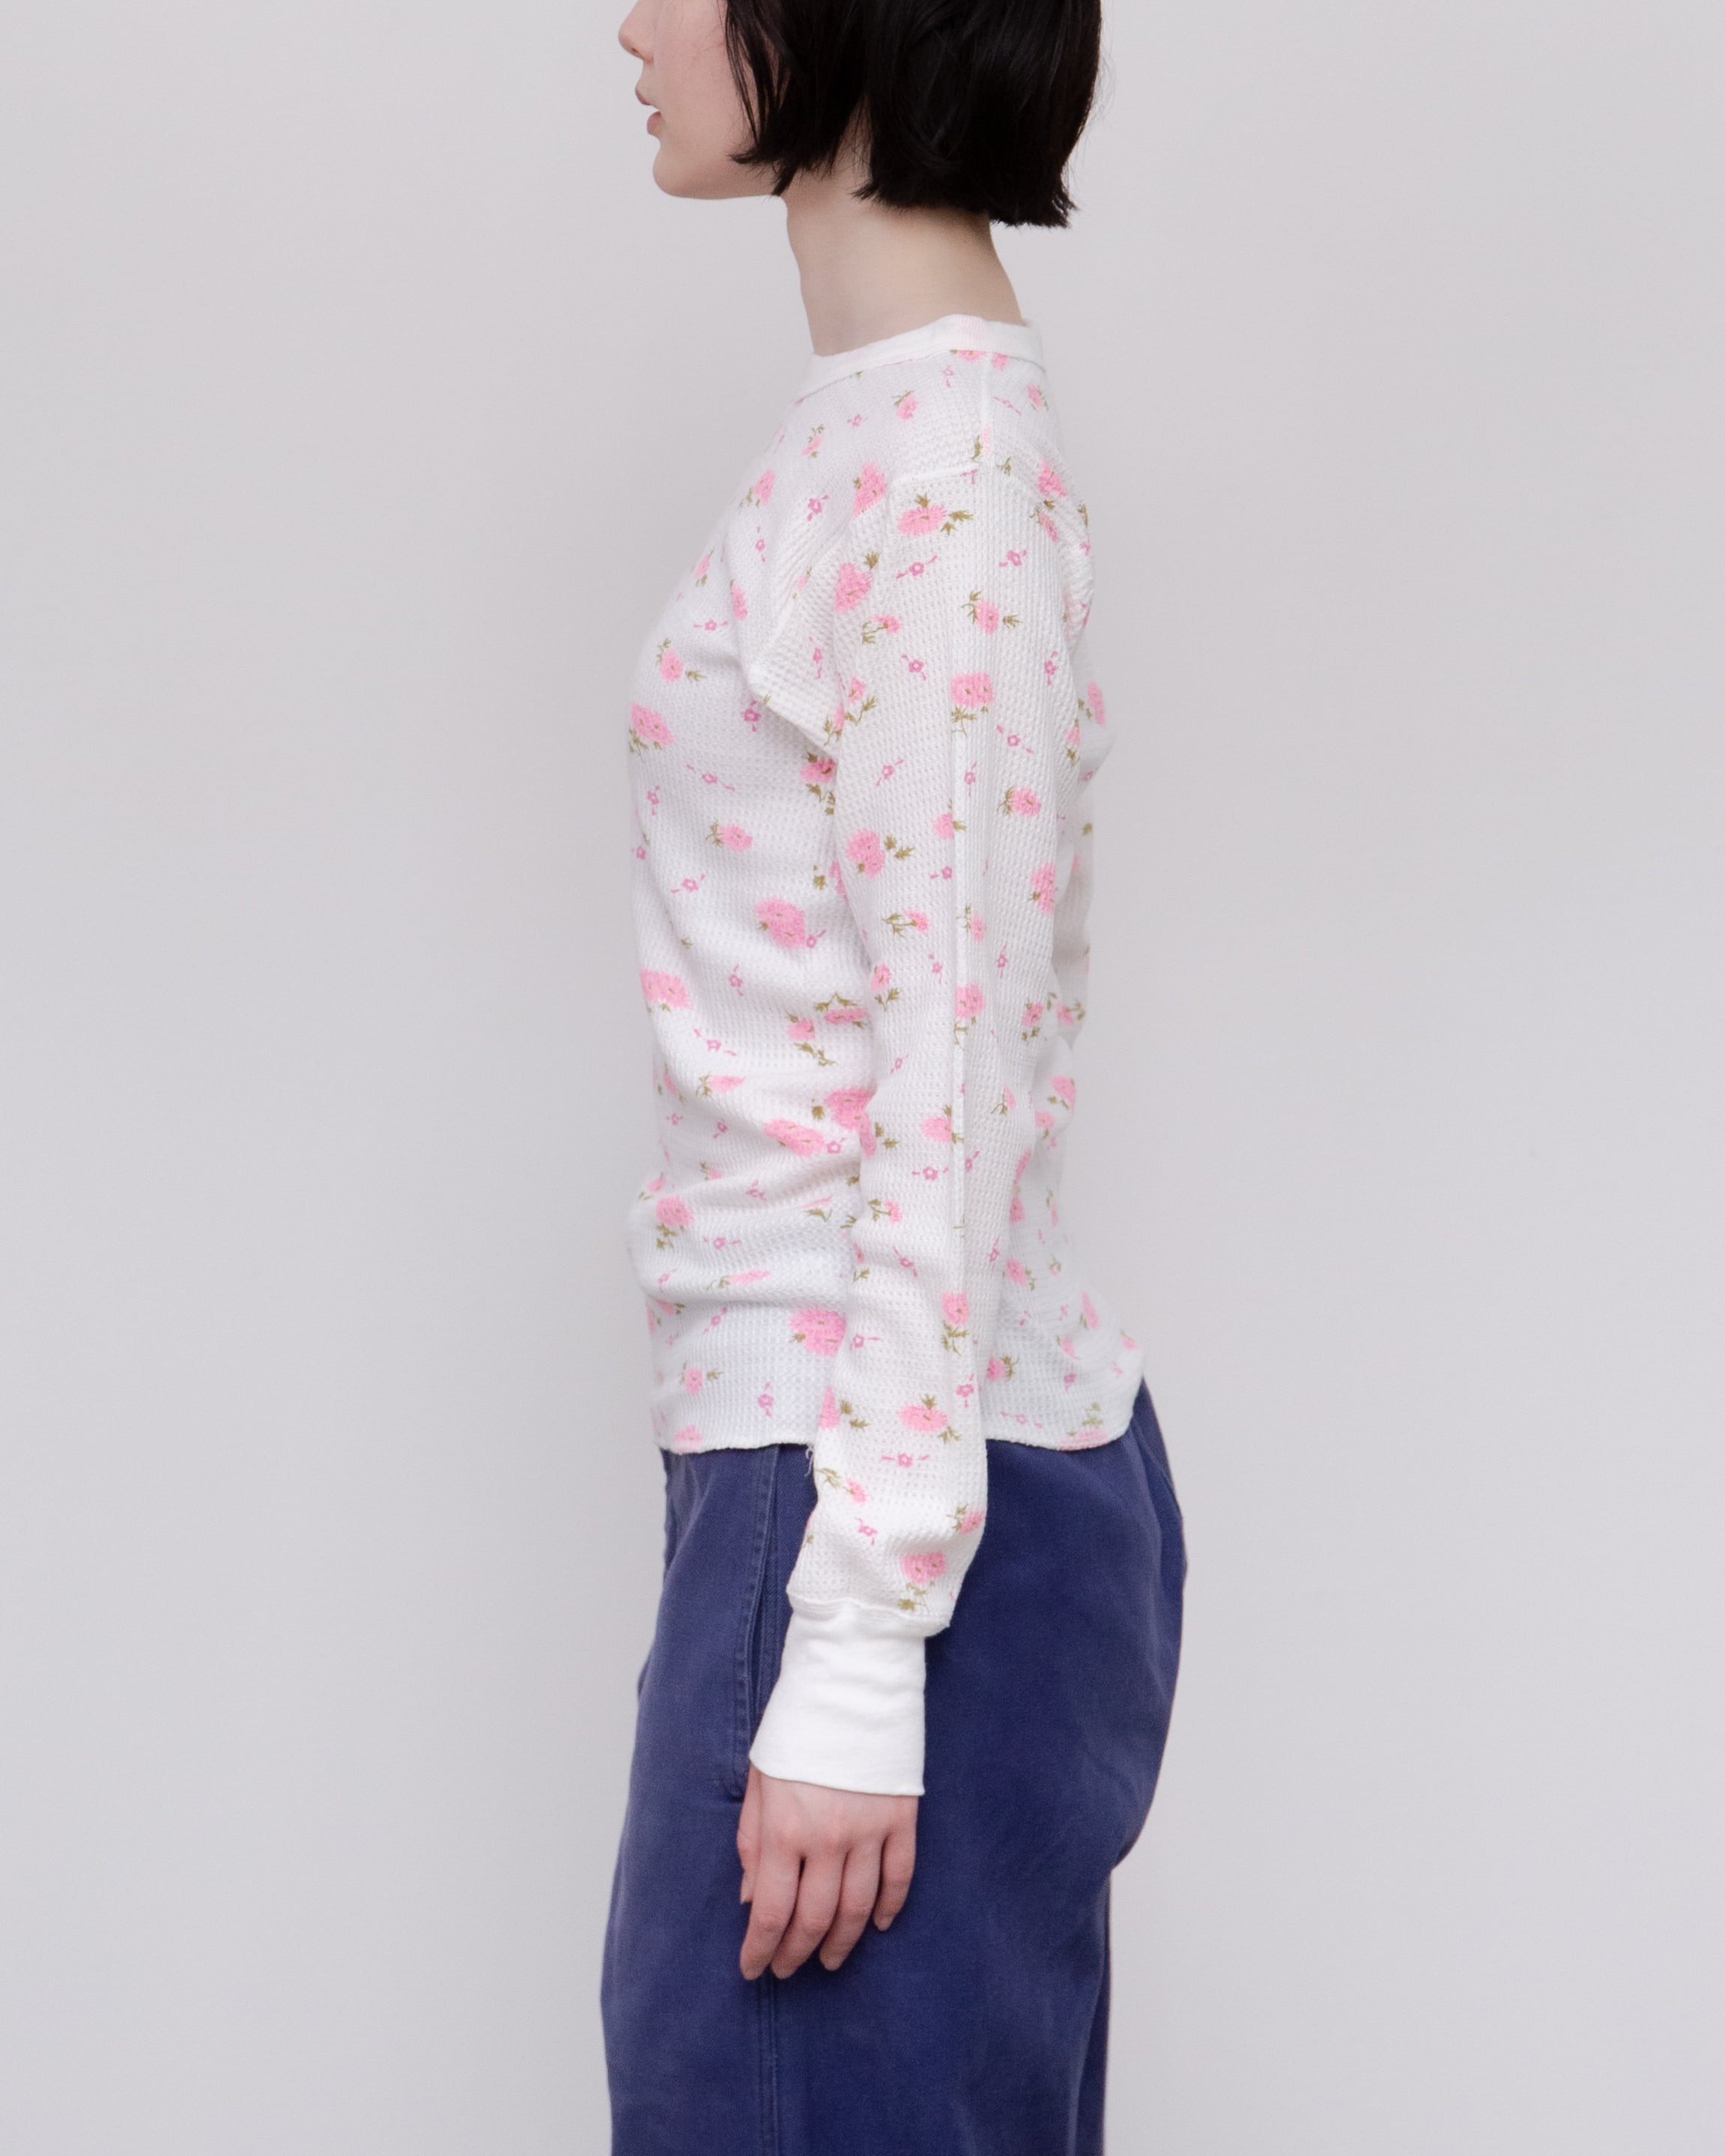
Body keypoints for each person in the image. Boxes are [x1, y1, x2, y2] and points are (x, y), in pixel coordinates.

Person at [601, 3, 1186, 2149]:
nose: (633, 20)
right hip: (860, 1475)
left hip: (880, 1505)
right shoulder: (885, 435)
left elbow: (953, 1081)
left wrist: (854, 1643)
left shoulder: (940, 484)